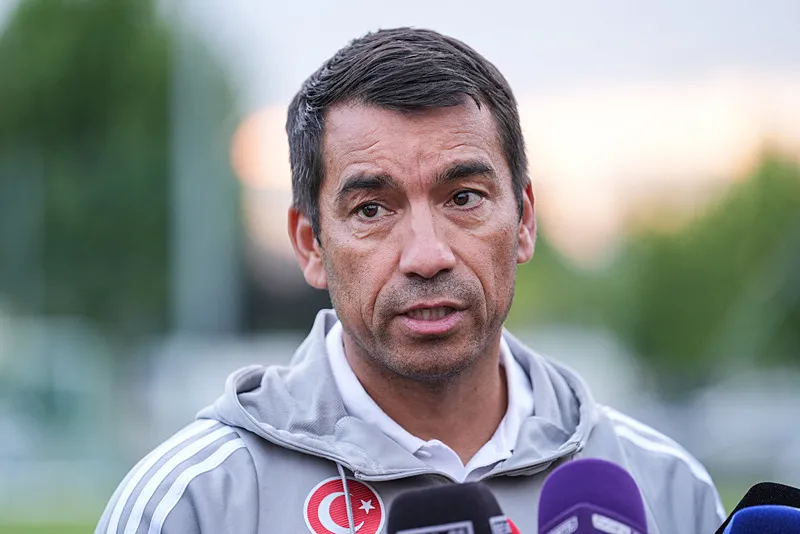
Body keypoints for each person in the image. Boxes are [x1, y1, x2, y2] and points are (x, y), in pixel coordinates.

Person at [96, 27, 726, 534]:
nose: (427, 256)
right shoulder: (193, 505)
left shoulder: (667, 490)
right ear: (310, 243)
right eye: (372, 209)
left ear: (524, 221)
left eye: (464, 197)